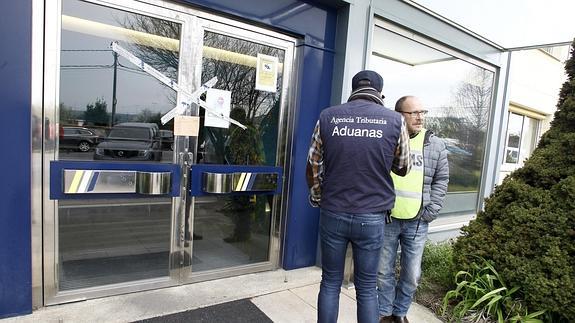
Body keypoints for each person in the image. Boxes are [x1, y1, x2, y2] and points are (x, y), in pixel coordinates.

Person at [306, 70, 411, 323]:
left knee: (330, 281)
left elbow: (313, 164)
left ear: (353, 91)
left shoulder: (328, 116)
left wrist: (318, 197)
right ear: (379, 93)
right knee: (366, 288)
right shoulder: (395, 120)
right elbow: (403, 167)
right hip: (372, 216)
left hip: (334, 211)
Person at [377, 96, 449, 323]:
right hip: (388, 218)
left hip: (418, 221)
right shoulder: (388, 139)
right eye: (413, 113)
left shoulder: (434, 143)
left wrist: (432, 210)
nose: (420, 117)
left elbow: (442, 178)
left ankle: (400, 312)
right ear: (400, 115)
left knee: (412, 275)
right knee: (383, 272)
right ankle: (386, 314)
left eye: (422, 111)